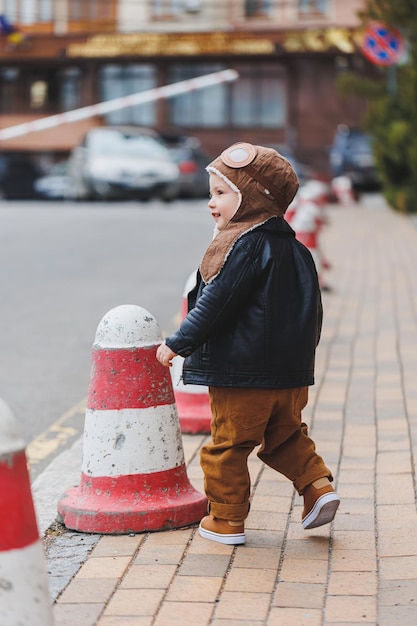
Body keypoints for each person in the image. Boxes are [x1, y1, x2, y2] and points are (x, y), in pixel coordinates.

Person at [156, 142, 340, 545]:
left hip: (242, 374)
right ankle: (318, 489)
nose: (211, 203)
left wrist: (178, 342)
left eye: (221, 193)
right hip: (290, 375)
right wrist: (301, 360)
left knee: (228, 445)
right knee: (285, 437)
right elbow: (314, 312)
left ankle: (226, 520)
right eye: (211, 193)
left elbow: (216, 303)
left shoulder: (241, 245)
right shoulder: (297, 249)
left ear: (254, 197)